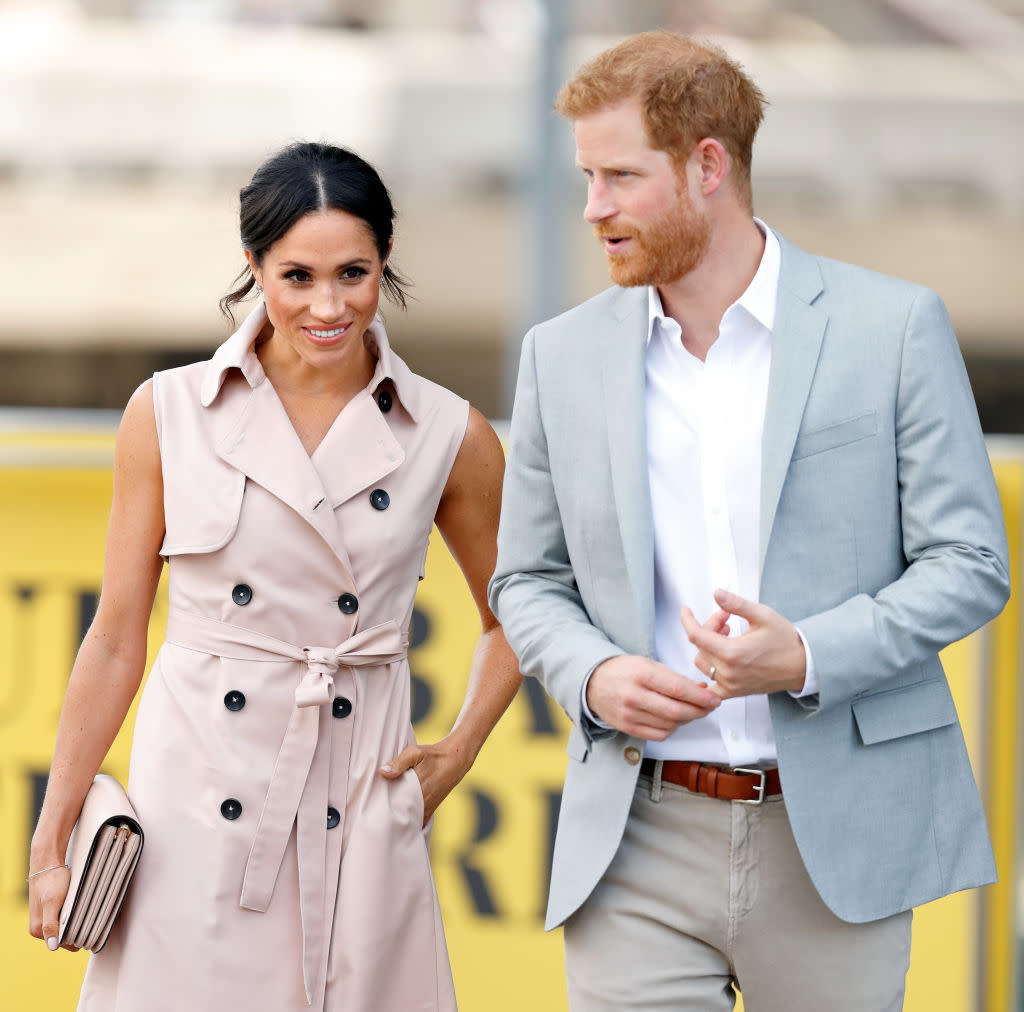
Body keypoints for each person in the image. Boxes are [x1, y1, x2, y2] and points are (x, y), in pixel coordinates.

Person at [488, 31, 1010, 1012]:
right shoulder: (559, 356)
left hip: (831, 844)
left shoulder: (891, 327)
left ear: (707, 167)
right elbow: (527, 579)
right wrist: (591, 674)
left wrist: (807, 654)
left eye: (619, 176)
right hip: (635, 834)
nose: (593, 207)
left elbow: (971, 558)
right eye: (586, 177)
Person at [29, 141, 520, 1011]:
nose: (328, 306)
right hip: (196, 804)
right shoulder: (169, 411)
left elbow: (518, 612)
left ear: (386, 263)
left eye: (353, 273)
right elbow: (114, 639)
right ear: (254, 267)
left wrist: (459, 748)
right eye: (297, 276)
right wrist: (54, 833)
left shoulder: (448, 431)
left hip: (359, 801)